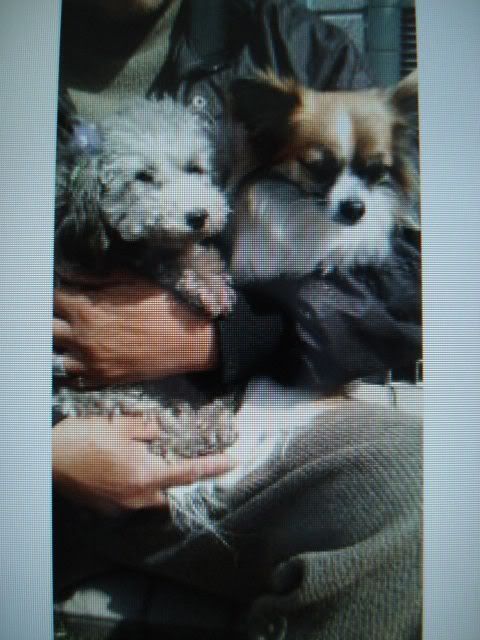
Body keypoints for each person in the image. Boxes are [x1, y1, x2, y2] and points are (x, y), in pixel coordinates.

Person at [53, 1, 422, 638]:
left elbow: (410, 285)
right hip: (51, 450)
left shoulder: (282, 40)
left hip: (224, 419)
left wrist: (219, 337)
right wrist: (37, 451)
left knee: (425, 492)